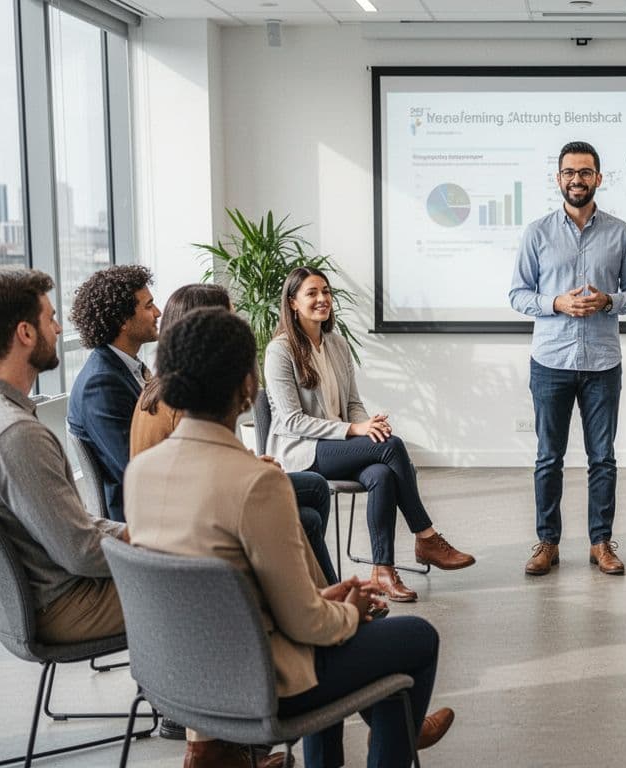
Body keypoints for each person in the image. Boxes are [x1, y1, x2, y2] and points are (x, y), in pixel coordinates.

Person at [125, 307, 452, 768]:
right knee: (416, 636)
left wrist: (331, 603)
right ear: (246, 386)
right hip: (260, 685)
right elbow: (308, 626)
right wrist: (348, 612)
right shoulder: (257, 483)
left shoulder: (140, 473)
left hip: (178, 679)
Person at [0, 269, 127, 645]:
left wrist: (139, 535)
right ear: (25, 333)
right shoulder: (14, 434)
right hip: (66, 605)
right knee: (222, 577)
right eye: (51, 318)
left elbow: (72, 528)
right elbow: (82, 553)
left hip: (25, 602)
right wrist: (161, 549)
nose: (58, 330)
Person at [264, 267, 474, 603]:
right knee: (392, 448)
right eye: (312, 293)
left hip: (340, 444)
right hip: (303, 450)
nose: (322, 299)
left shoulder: (337, 344)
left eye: (326, 291)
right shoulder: (280, 351)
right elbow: (292, 421)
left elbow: (353, 403)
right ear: (292, 303)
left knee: (381, 473)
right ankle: (426, 536)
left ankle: (383, 571)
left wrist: (368, 426)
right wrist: (354, 430)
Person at [130, 282, 340, 585]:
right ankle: (324, 593)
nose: (238, 323)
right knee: (307, 510)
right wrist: (254, 471)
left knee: (313, 493)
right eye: (231, 316)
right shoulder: (183, 401)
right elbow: (201, 476)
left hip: (185, 506)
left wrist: (250, 463)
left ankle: (322, 589)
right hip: (195, 517)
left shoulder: (160, 389)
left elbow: (201, 459)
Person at [509, 140, 626, 577]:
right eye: (569, 172)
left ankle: (600, 543)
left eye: (585, 172)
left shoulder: (620, 233)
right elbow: (517, 294)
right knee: (548, 457)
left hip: (603, 363)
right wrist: (556, 304)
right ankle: (547, 543)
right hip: (550, 361)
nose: (576, 179)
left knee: (602, 457)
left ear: (598, 179)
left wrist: (610, 301)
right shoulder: (537, 233)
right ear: (558, 178)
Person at [67, 265, 161, 523]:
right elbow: (136, 467)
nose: (158, 312)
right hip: (138, 520)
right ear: (122, 320)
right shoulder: (100, 384)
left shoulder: (127, 368)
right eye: (148, 306)